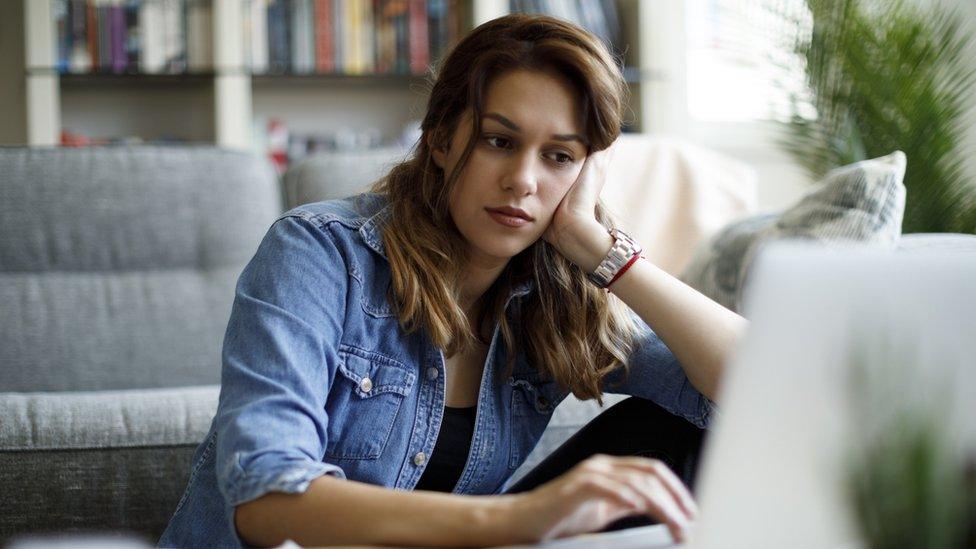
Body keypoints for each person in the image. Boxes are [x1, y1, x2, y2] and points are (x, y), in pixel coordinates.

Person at [158, 13, 746, 548]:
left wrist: (598, 247)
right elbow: (266, 496)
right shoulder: (319, 251)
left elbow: (756, 393)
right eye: (500, 141)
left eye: (559, 157)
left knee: (677, 435)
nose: (523, 180)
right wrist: (522, 519)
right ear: (440, 139)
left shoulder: (557, 290)